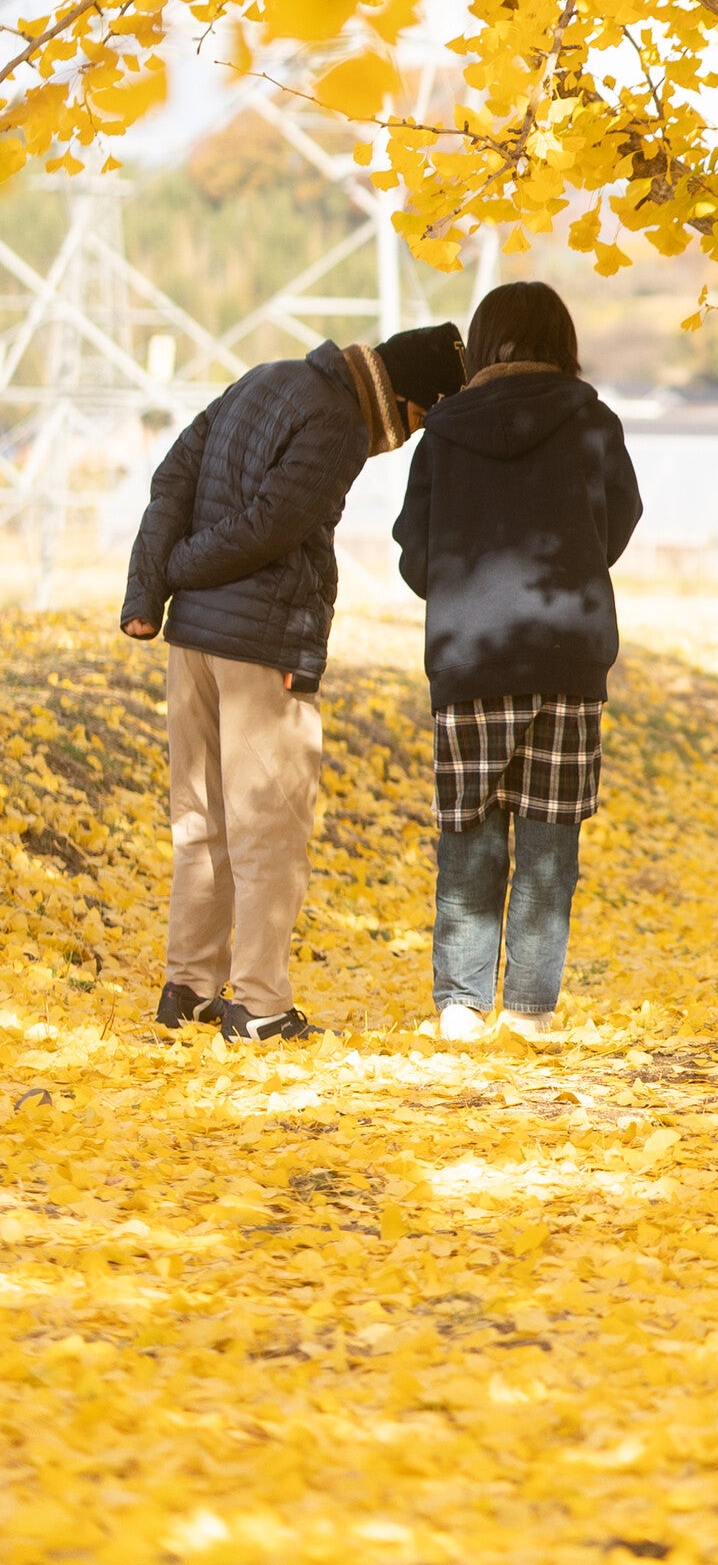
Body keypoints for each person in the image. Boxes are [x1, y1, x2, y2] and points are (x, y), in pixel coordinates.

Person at [122, 322, 467, 1043]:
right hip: (261, 647)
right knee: (268, 829)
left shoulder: (263, 378)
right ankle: (259, 1005)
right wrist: (176, 570)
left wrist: (149, 591)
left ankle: (187, 988)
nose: (401, 445)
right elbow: (271, 526)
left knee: (201, 821)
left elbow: (175, 475)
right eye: (416, 426)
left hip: (193, 646)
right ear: (406, 402)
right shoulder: (340, 421)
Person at [393, 279, 640, 1042]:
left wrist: (463, 595)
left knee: (470, 829)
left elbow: (415, 548)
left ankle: (460, 1007)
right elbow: (620, 521)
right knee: (548, 836)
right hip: (567, 654)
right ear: (560, 341)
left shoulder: (444, 431)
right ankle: (530, 1011)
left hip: (470, 659)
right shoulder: (593, 421)